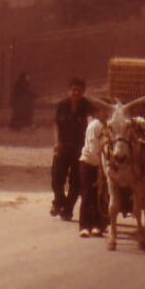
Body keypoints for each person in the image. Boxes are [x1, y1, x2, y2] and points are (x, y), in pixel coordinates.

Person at [50, 78, 92, 220]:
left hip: (80, 149)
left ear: (83, 92)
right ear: (69, 91)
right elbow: (56, 125)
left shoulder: (87, 106)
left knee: (75, 182)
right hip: (63, 147)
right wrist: (56, 143)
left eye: (79, 90)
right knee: (56, 178)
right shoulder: (62, 105)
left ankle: (67, 209)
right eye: (73, 90)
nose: (76, 93)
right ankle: (58, 201)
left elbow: (91, 124)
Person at [76, 104, 108, 237]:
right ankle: (84, 226)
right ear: (99, 111)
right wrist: (101, 165)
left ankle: (96, 225)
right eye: (105, 111)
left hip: (101, 165)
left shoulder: (107, 127)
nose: (107, 114)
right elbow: (93, 147)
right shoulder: (94, 126)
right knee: (87, 194)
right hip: (89, 163)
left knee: (98, 196)